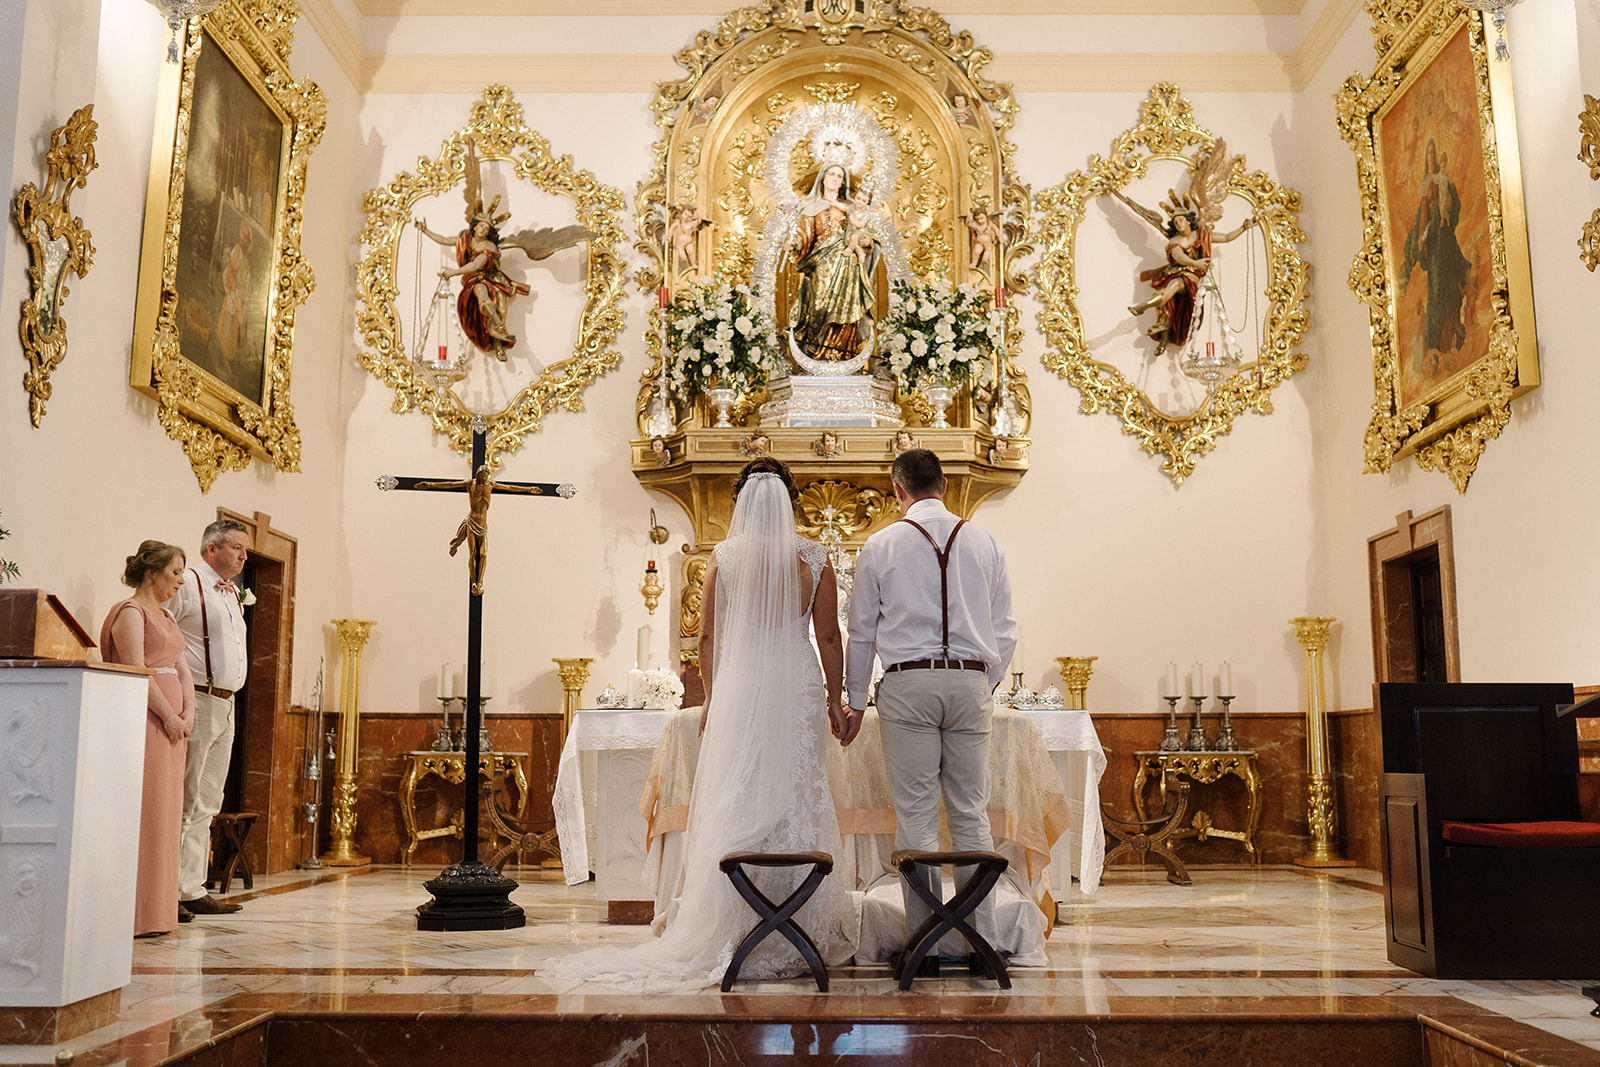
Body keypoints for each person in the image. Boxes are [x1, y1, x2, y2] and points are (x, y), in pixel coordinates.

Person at [546, 458, 855, 990]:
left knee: (741, 794)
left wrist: (713, 700)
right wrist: (836, 698)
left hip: (741, 685)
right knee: (798, 791)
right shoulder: (814, 557)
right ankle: (795, 922)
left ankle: (737, 920)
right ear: (789, 501)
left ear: (741, 504)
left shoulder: (725, 557)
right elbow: (828, 637)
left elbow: (706, 638)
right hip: (796, 683)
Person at [841, 448, 1017, 962]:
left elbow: (861, 631)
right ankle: (978, 939)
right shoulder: (986, 542)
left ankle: (926, 945)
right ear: (944, 485)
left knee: (916, 818)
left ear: (898, 491)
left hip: (908, 684)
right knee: (970, 812)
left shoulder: (880, 544)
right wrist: (984, 684)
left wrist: (854, 700)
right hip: (969, 682)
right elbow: (1005, 629)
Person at [101, 541, 196, 937]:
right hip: (147, 721)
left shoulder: (169, 618)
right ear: (151, 572)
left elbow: (182, 668)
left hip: (174, 726)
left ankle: (161, 911)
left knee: (169, 813)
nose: (180, 580)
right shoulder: (131, 614)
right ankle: (137, 914)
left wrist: (189, 712)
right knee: (149, 811)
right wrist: (169, 715)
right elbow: (136, 670)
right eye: (175, 572)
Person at [169, 519, 251, 919]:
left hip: (227, 702)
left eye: (245, 549)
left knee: (209, 801)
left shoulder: (233, 593)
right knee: (186, 798)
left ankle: (191, 887)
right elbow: (163, 632)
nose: (244, 555)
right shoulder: (186, 584)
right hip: (197, 698)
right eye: (237, 547)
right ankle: (167, 890)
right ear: (211, 549)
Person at [1111, 189, 1253, 356]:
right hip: (1177, 273)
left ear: (1188, 221)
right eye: (1175, 222)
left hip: (1191, 278)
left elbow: (1227, 237)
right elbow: (1179, 256)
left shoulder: (1202, 234)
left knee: (1176, 295)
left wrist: (1243, 228)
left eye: (1180, 220)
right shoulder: (1175, 241)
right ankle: (1149, 316)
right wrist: (1195, 263)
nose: (1178, 223)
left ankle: (1146, 308)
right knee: (1169, 305)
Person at [786, 163, 878, 364]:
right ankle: (818, 352)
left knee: (849, 306)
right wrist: (795, 242)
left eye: (839, 176)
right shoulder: (811, 206)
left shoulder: (851, 207)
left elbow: (866, 233)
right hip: (822, 262)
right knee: (818, 306)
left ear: (842, 182)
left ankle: (844, 354)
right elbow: (804, 233)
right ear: (823, 178)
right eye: (832, 174)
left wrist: (866, 242)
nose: (835, 178)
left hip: (848, 262)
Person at [1400, 138, 1472, 371]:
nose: (1430, 156)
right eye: (1428, 153)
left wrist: (1447, 201)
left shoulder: (1443, 179)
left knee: (1451, 287)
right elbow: (1422, 215)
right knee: (1437, 288)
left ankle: (1453, 340)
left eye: (1433, 151)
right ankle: (1436, 345)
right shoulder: (1425, 183)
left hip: (1445, 236)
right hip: (1433, 244)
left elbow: (1452, 205)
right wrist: (1422, 239)